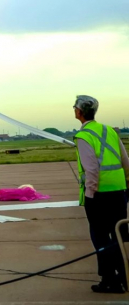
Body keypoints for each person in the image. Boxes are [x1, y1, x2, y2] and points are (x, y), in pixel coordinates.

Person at [73, 95, 129, 293]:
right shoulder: (109, 131)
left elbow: (92, 170)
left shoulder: (84, 136)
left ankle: (110, 280)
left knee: (101, 238)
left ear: (79, 112)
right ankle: (124, 277)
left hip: (99, 195)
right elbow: (125, 160)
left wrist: (90, 195)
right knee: (119, 236)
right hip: (119, 191)